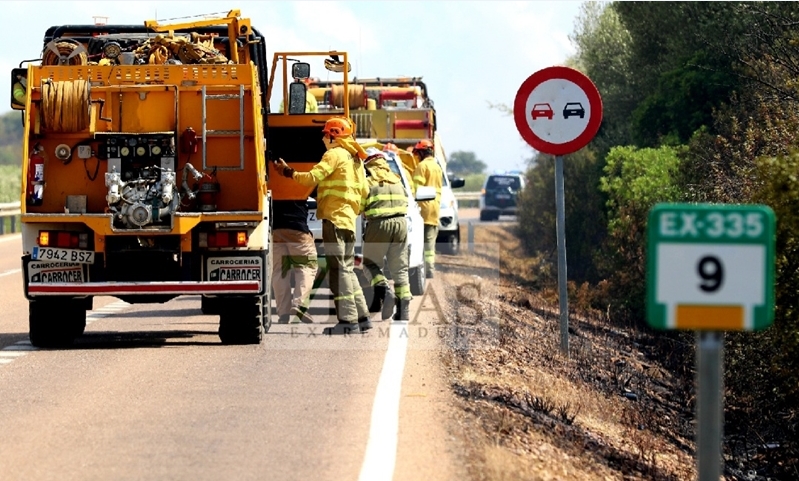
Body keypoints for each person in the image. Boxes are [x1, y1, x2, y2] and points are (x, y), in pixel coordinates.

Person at [273, 117, 371, 335]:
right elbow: (365, 193)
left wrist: (288, 172)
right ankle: (363, 317)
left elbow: (311, 178)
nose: (324, 139)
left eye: (326, 134)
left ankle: (348, 321)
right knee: (347, 268)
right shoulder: (355, 160)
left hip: (334, 220)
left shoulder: (333, 154)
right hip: (347, 221)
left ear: (333, 135)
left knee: (338, 271)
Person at [361, 147, 411, 321]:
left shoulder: (368, 182)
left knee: (369, 264)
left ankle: (384, 291)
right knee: (400, 269)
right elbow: (406, 200)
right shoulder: (397, 180)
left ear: (368, 164)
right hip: (401, 225)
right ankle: (403, 310)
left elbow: (359, 206)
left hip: (378, 225)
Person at [271, 199, 317, 325]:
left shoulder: (272, 180)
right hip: (298, 230)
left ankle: (283, 314)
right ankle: (299, 304)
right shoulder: (300, 180)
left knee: (279, 271)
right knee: (306, 267)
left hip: (275, 230)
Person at [411, 139, 443, 279]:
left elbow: (415, 189)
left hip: (423, 208)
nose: (417, 156)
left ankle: (425, 269)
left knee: (420, 241)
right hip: (435, 208)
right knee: (430, 241)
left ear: (423, 152)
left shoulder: (422, 166)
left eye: (418, 153)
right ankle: (430, 268)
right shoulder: (437, 167)